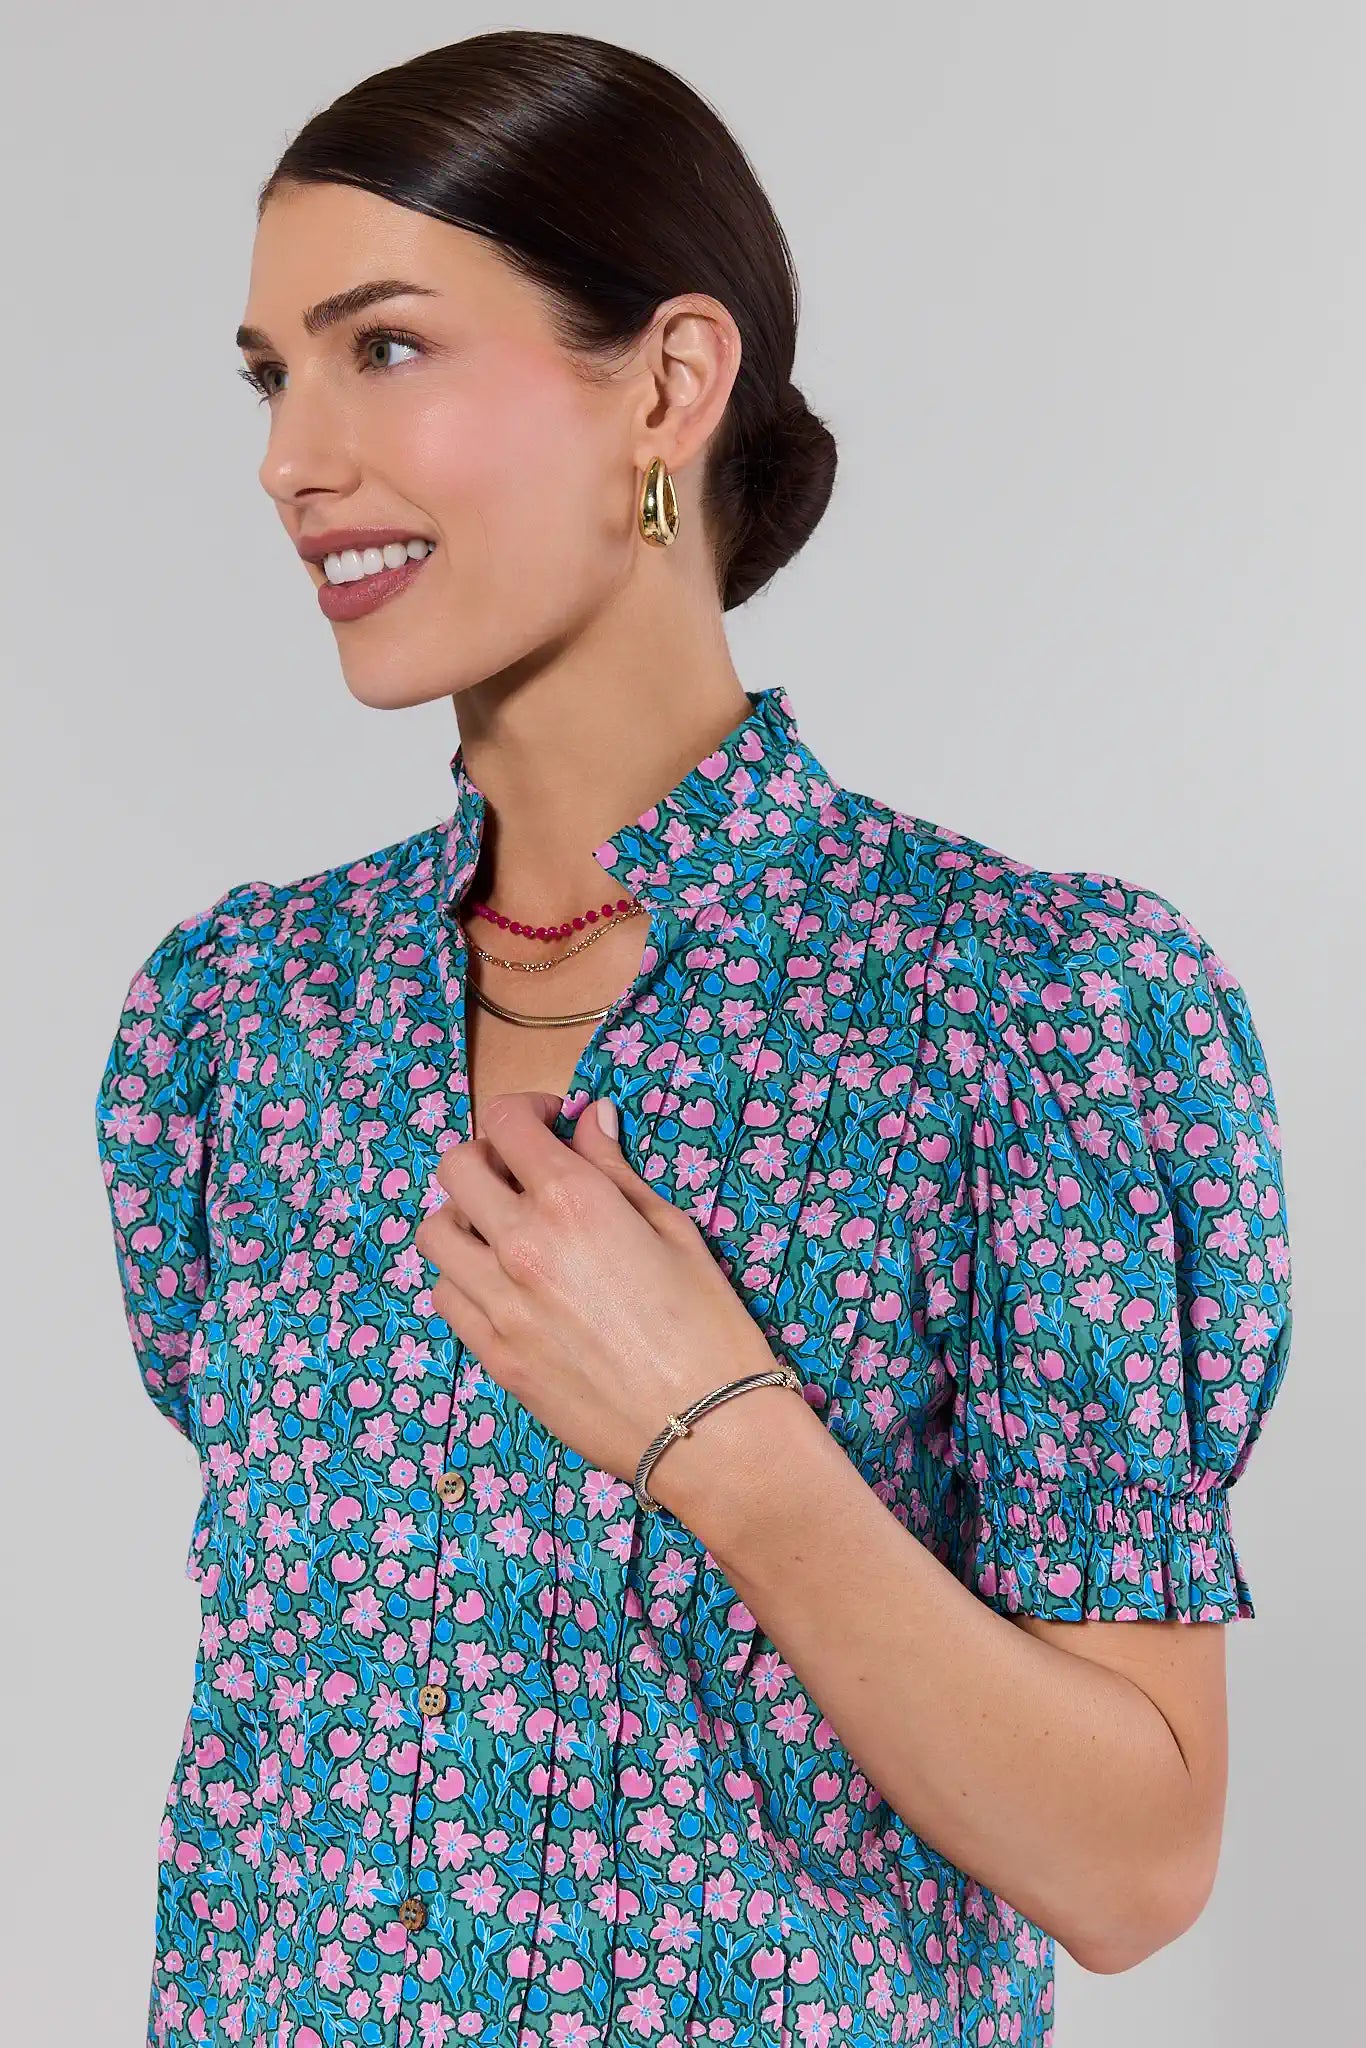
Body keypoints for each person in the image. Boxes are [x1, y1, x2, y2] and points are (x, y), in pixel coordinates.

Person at [93, 29, 1294, 2048]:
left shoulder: (1026, 1012)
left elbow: (1132, 1866)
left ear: (665, 380)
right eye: (268, 373)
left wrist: (721, 1437)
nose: (291, 458)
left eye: (380, 347)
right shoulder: (234, 1028)